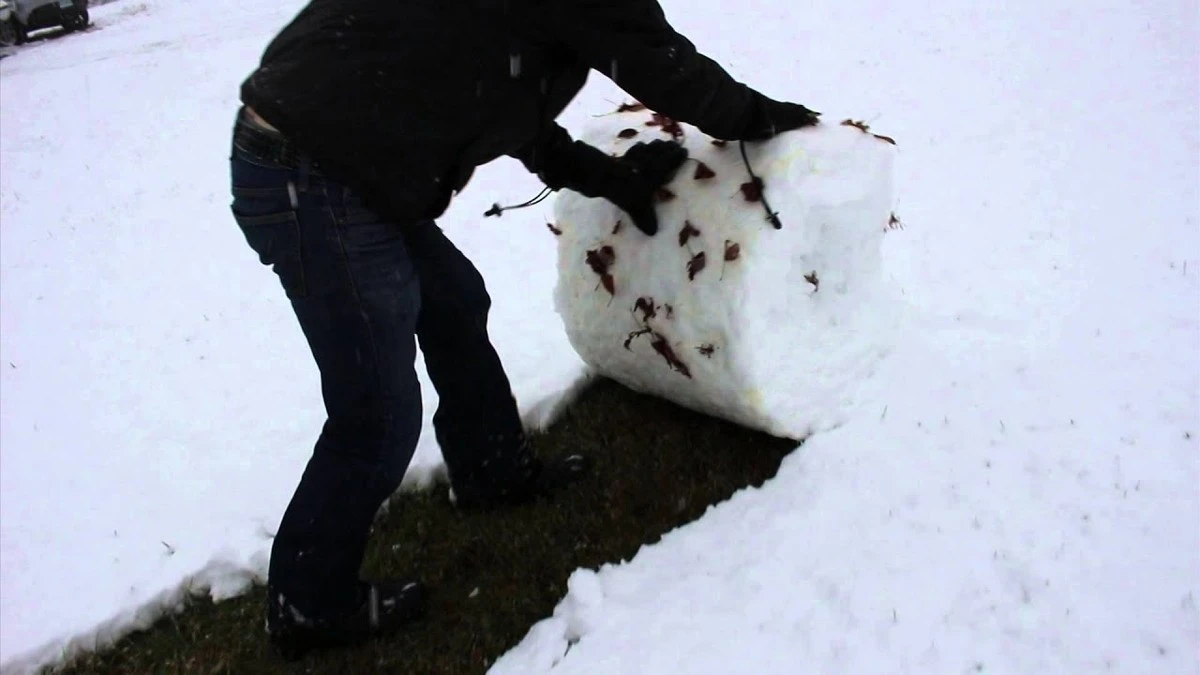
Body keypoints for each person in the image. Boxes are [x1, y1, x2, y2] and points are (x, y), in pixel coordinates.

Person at [230, 0, 820, 659]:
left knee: (453, 300)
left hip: (338, 149)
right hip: (313, 167)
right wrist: (752, 117)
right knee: (377, 414)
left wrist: (610, 177)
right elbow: (658, 65)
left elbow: (501, 101)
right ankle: (308, 601)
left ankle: (488, 469)